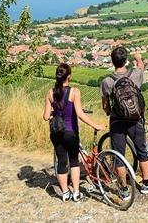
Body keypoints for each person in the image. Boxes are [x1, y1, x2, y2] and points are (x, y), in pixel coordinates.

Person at [100, 46, 148, 194]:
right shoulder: (134, 75)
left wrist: (109, 111)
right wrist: (139, 58)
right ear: (126, 61)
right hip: (135, 120)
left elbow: (105, 105)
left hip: (117, 121)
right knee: (142, 151)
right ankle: (146, 184)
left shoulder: (107, 81)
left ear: (112, 62)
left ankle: (123, 189)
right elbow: (141, 67)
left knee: (118, 155)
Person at [43, 63, 107, 202]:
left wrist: (56, 111)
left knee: (61, 162)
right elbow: (80, 114)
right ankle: (77, 193)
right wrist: (95, 125)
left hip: (56, 133)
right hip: (71, 132)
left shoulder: (49, 93)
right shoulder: (74, 92)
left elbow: (46, 117)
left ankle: (65, 193)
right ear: (69, 77)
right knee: (73, 162)